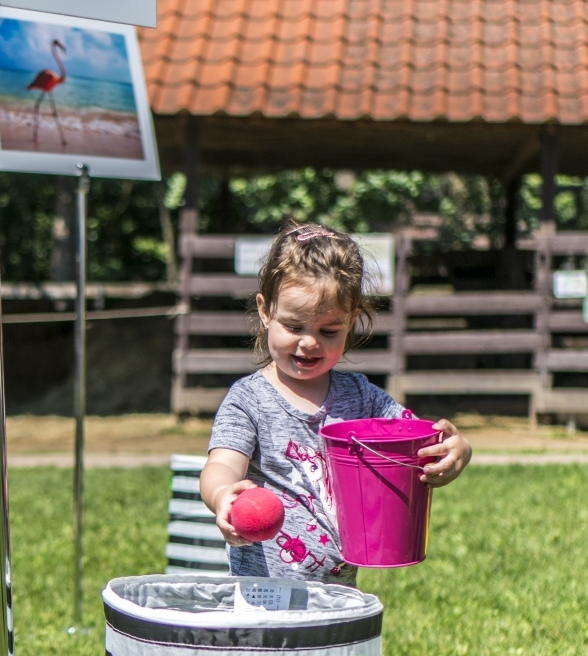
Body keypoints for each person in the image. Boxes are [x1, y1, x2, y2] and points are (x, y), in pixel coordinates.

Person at [200, 222, 472, 582]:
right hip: (264, 593)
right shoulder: (249, 400)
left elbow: (416, 438)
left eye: (329, 331)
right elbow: (220, 464)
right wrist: (223, 496)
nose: (310, 343)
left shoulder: (361, 397)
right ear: (265, 312)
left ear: (351, 322)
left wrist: (457, 449)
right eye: (294, 327)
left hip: (341, 591)